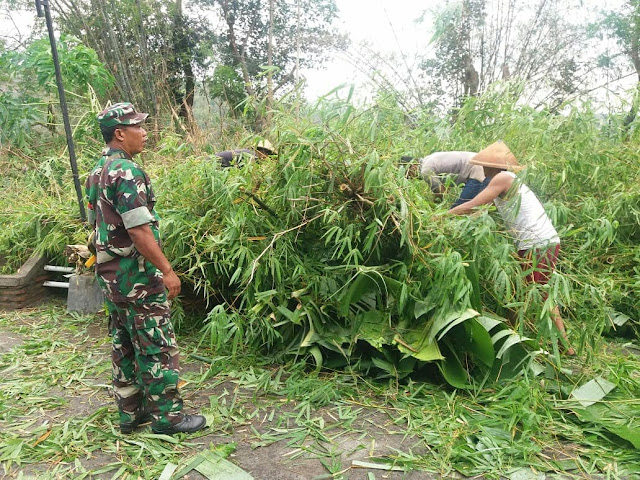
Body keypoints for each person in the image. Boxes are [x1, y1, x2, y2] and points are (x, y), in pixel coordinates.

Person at [86, 102, 207, 434]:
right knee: (156, 345)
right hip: (136, 277)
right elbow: (139, 230)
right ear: (120, 134)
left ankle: (131, 413)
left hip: (111, 277)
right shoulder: (126, 171)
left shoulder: (97, 171)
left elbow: (96, 226)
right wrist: (167, 270)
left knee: (124, 343)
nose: (144, 132)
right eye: (137, 127)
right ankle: (168, 418)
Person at [448, 141, 575, 356]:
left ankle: (521, 340)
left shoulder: (502, 178)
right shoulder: (502, 181)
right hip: (535, 244)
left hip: (537, 244)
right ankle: (518, 336)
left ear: (492, 166)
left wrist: (440, 217)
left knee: (529, 293)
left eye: (484, 165)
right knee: (528, 291)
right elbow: (479, 212)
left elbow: (473, 205)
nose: (482, 169)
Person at [402, 151, 489, 207]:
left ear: (413, 167)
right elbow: (446, 186)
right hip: (482, 164)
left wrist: (433, 207)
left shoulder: (425, 170)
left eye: (409, 175)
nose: (412, 179)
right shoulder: (428, 159)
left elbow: (441, 192)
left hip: (477, 169)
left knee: (459, 210)